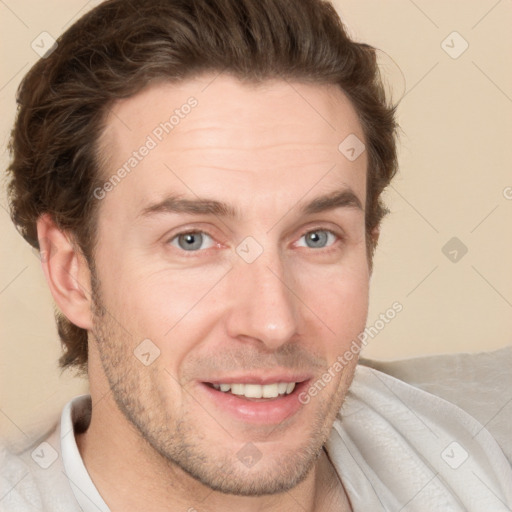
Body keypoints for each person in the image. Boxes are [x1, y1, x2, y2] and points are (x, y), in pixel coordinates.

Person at [1, 0, 511, 510]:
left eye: (317, 237)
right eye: (192, 240)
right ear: (73, 274)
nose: (274, 323)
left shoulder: (472, 449)